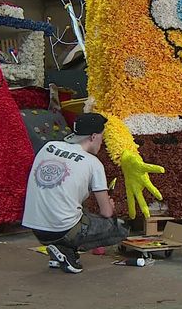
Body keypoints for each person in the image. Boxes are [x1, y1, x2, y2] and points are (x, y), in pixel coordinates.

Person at [22, 113, 129, 274]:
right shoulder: (93, 163)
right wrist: (110, 206)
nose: (102, 141)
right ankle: (66, 251)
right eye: (102, 136)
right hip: (62, 229)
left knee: (80, 213)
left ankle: (59, 251)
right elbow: (106, 212)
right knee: (120, 228)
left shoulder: (49, 146)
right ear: (93, 136)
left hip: (36, 228)